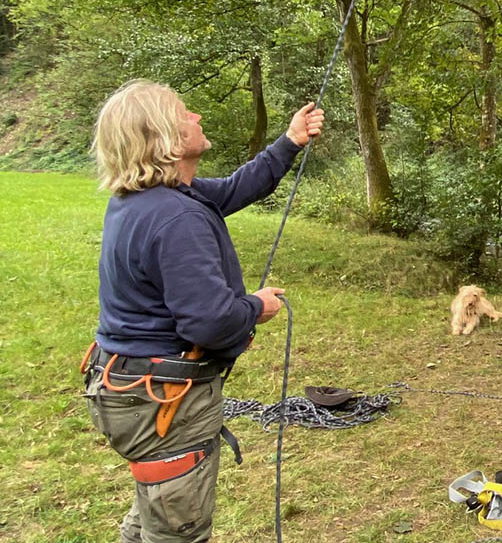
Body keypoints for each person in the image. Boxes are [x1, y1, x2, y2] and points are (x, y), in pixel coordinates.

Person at [81, 79, 324, 543]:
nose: (196, 117)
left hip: (131, 392)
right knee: (176, 533)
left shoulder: (154, 199)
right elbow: (210, 323)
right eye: (184, 113)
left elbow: (235, 188)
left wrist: (290, 141)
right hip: (159, 400)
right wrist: (255, 306)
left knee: (157, 517)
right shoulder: (176, 217)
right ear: (164, 138)